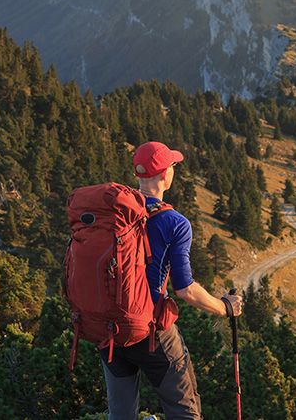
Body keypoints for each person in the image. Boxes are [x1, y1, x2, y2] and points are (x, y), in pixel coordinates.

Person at [100, 140, 244, 420]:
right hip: (148, 329)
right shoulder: (175, 223)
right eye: (172, 166)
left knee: (120, 414)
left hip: (108, 329)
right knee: (184, 410)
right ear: (166, 174)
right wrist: (225, 307)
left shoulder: (115, 213)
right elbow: (185, 289)